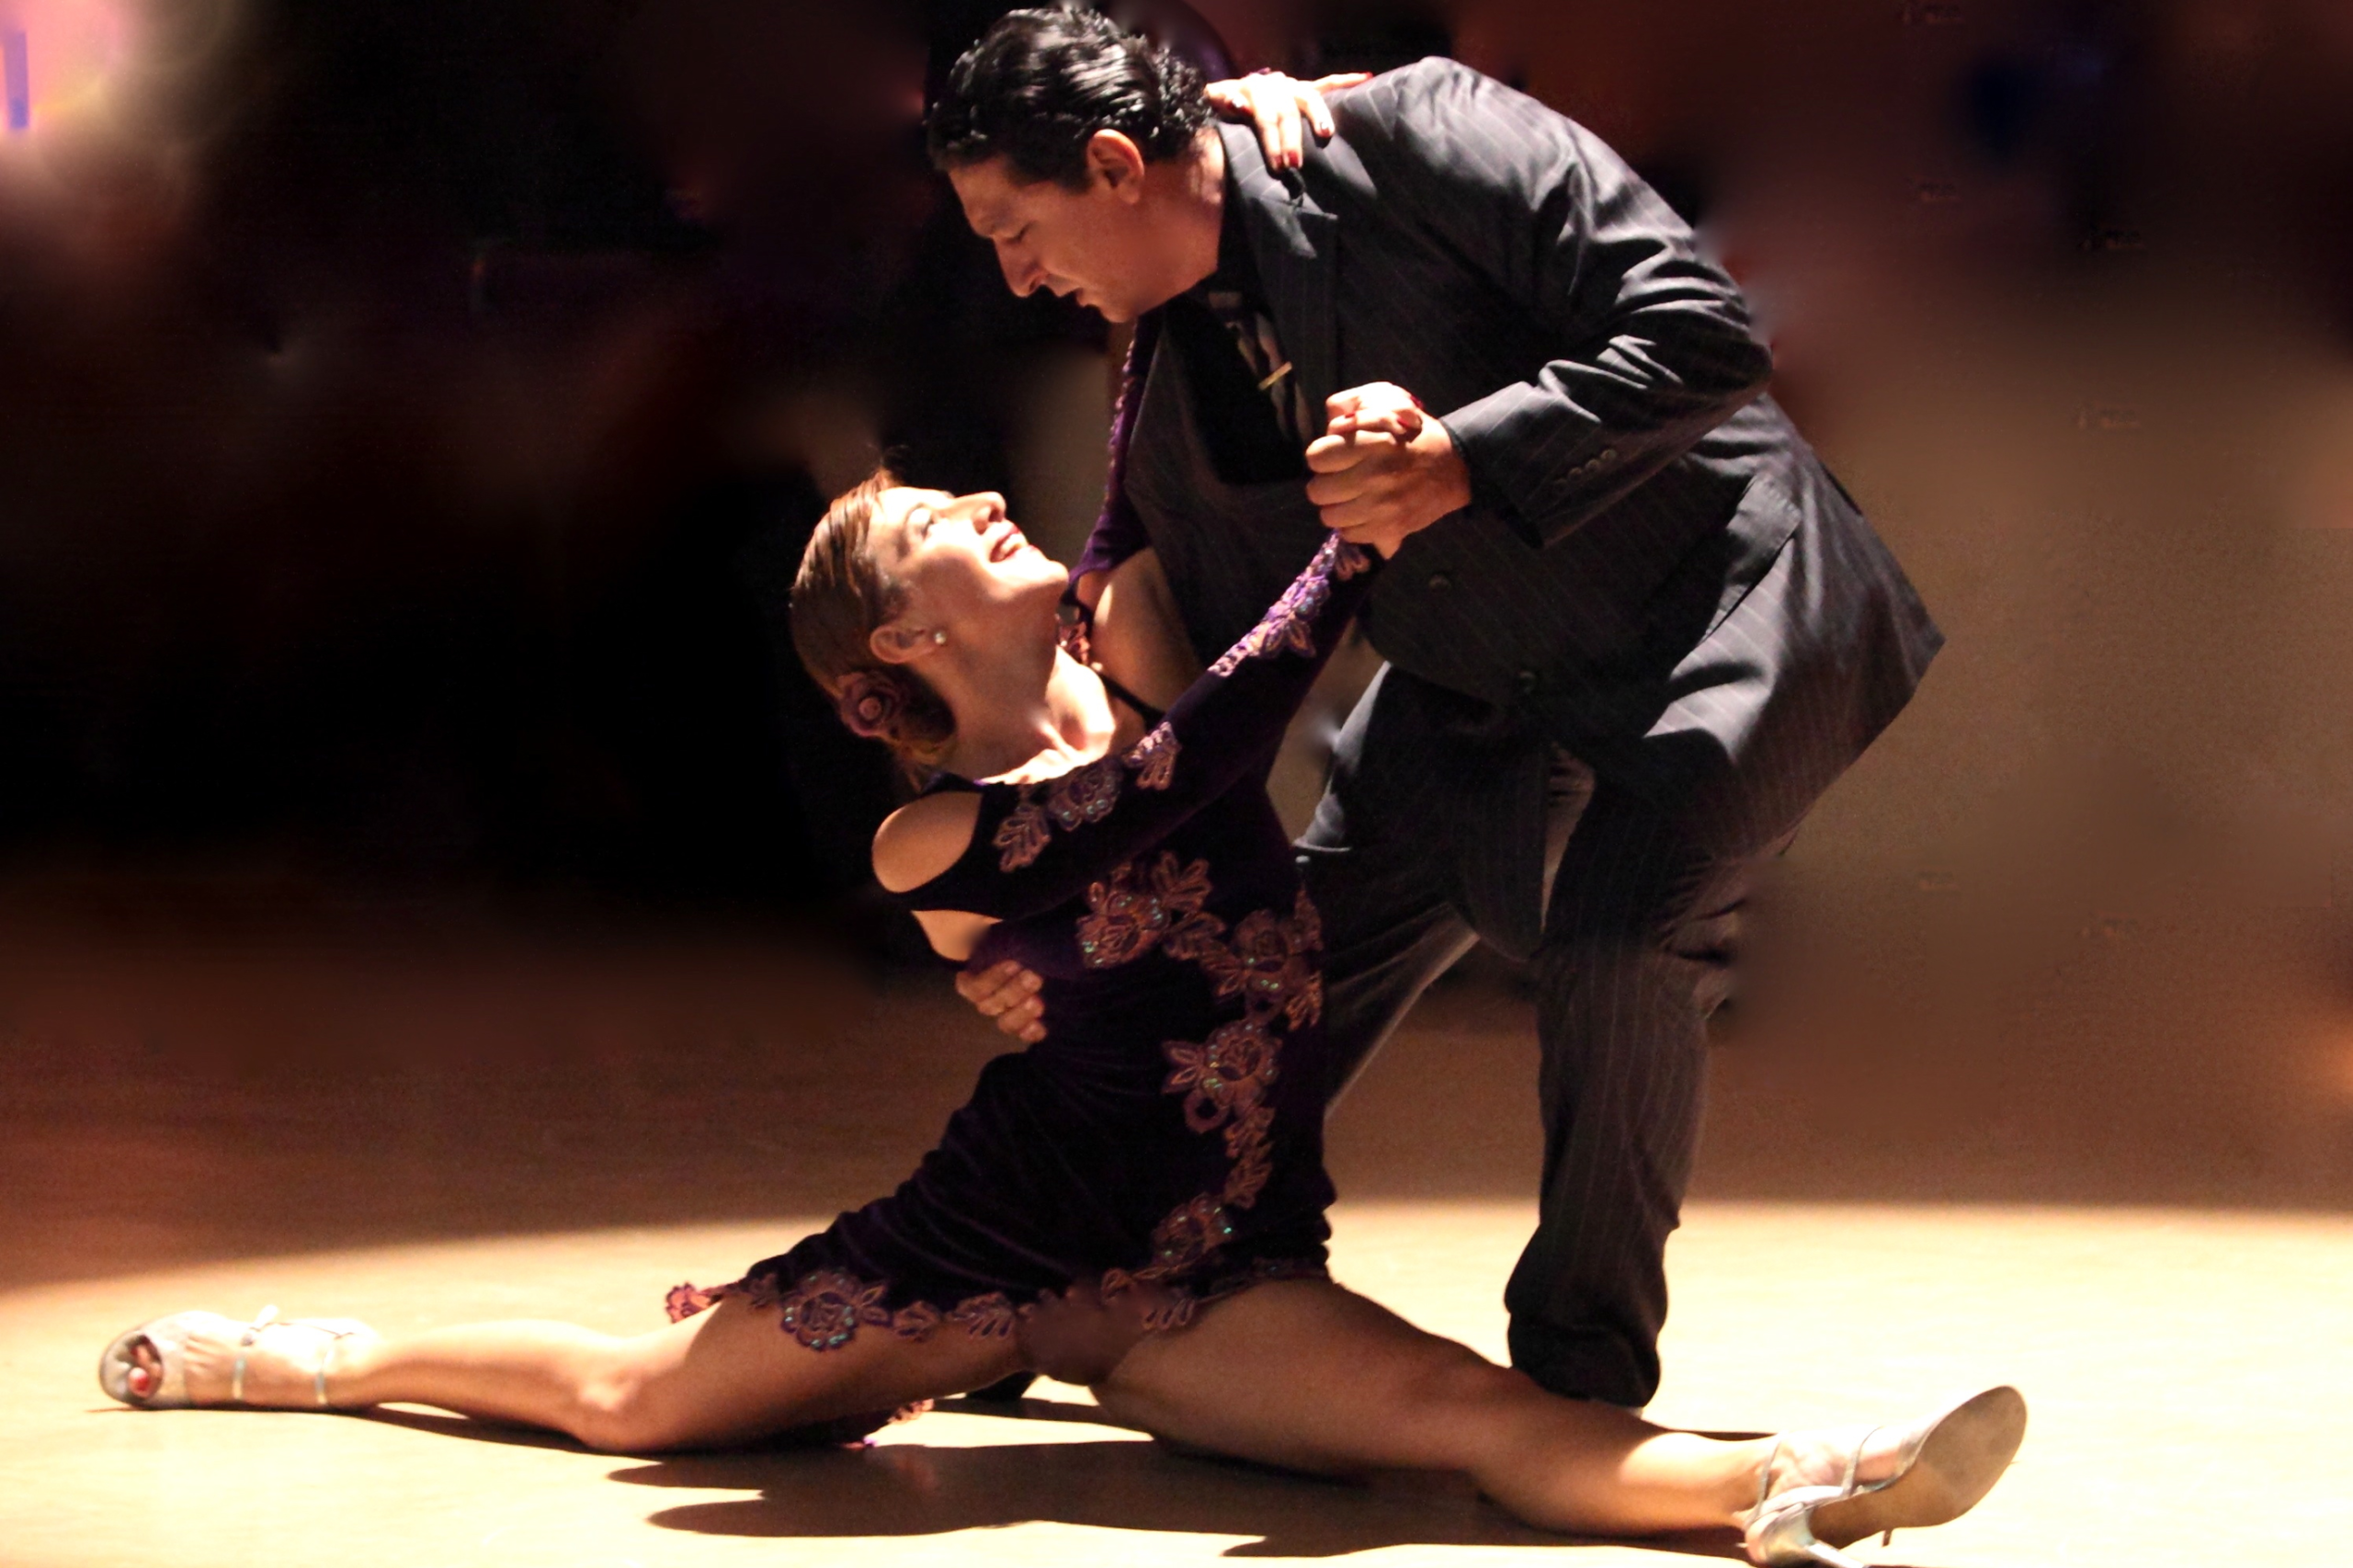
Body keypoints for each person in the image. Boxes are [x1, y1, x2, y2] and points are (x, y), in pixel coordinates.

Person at [98, 476, 2021, 1566]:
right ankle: (320, 1356)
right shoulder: (929, 830)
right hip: (975, 1259)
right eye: (940, 516)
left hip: (1201, 1273)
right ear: (903, 638)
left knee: (1466, 1420)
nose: (988, 499)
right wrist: (1349, 555)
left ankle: (1808, 1478)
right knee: (635, 1403)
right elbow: (1182, 783)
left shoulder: (1142, 663)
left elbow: (1164, 620)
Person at [933, 11, 1947, 1410]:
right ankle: (1041, 1284)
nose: (1013, 275)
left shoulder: (1412, 131)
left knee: (1620, 946)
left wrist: (1461, 457)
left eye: (1013, 227)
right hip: (1477, 668)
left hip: (1728, 605)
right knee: (1281, 960)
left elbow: (1707, 334)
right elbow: (1199, 690)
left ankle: (1576, 1402)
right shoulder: (1166, 373)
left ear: (1113, 166)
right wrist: (1054, 924)